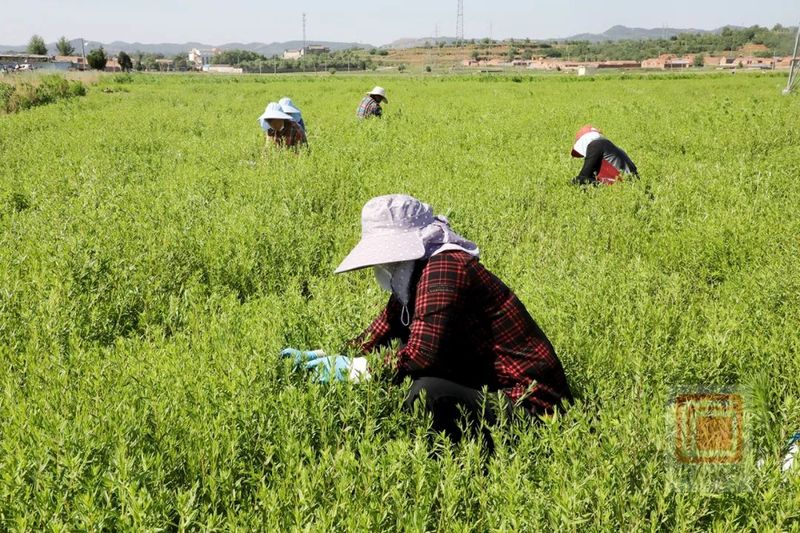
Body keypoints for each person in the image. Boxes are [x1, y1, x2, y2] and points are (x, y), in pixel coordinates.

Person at [332, 194, 573, 448]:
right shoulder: (413, 273)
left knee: (424, 393)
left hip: (530, 405)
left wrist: (357, 370)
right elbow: (382, 329)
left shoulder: (444, 268)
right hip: (489, 384)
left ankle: (463, 457)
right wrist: (335, 357)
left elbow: (421, 356)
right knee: (399, 353)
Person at [571, 125, 638, 186]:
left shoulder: (595, 145)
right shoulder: (611, 147)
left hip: (620, 184)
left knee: (577, 180)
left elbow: (584, 176)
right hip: (631, 184)